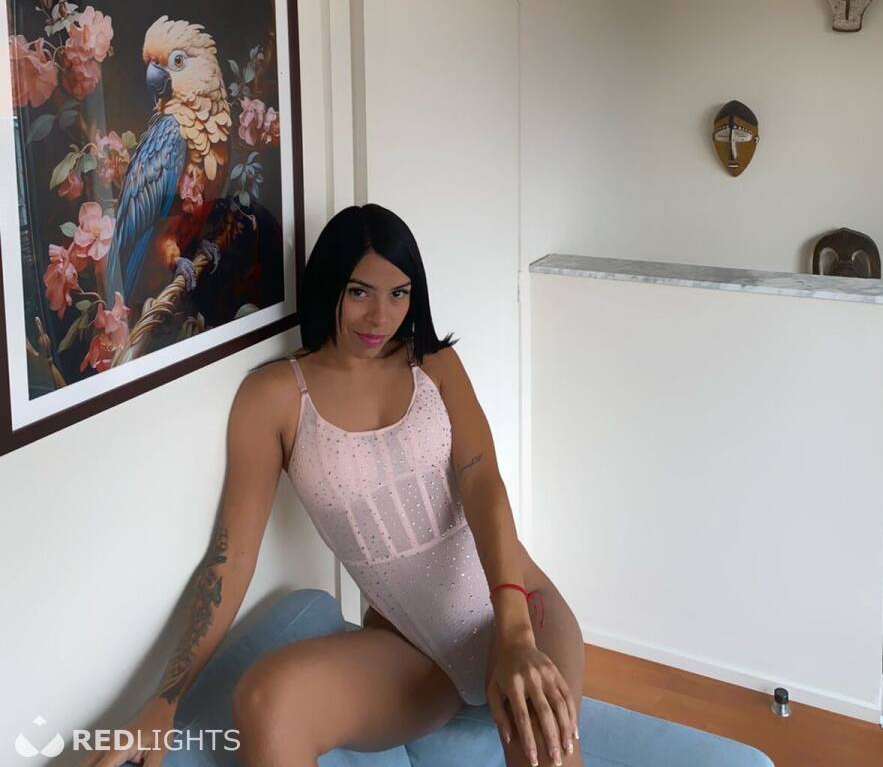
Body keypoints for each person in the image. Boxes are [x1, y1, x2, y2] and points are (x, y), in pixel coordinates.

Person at [81, 204, 585, 767]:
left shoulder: (436, 365)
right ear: (329, 287)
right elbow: (230, 559)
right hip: (412, 647)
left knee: (546, 749)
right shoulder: (273, 398)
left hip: (521, 608)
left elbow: (483, 480)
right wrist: (164, 701)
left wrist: (514, 632)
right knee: (265, 701)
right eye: (359, 291)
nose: (380, 316)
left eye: (399, 293)